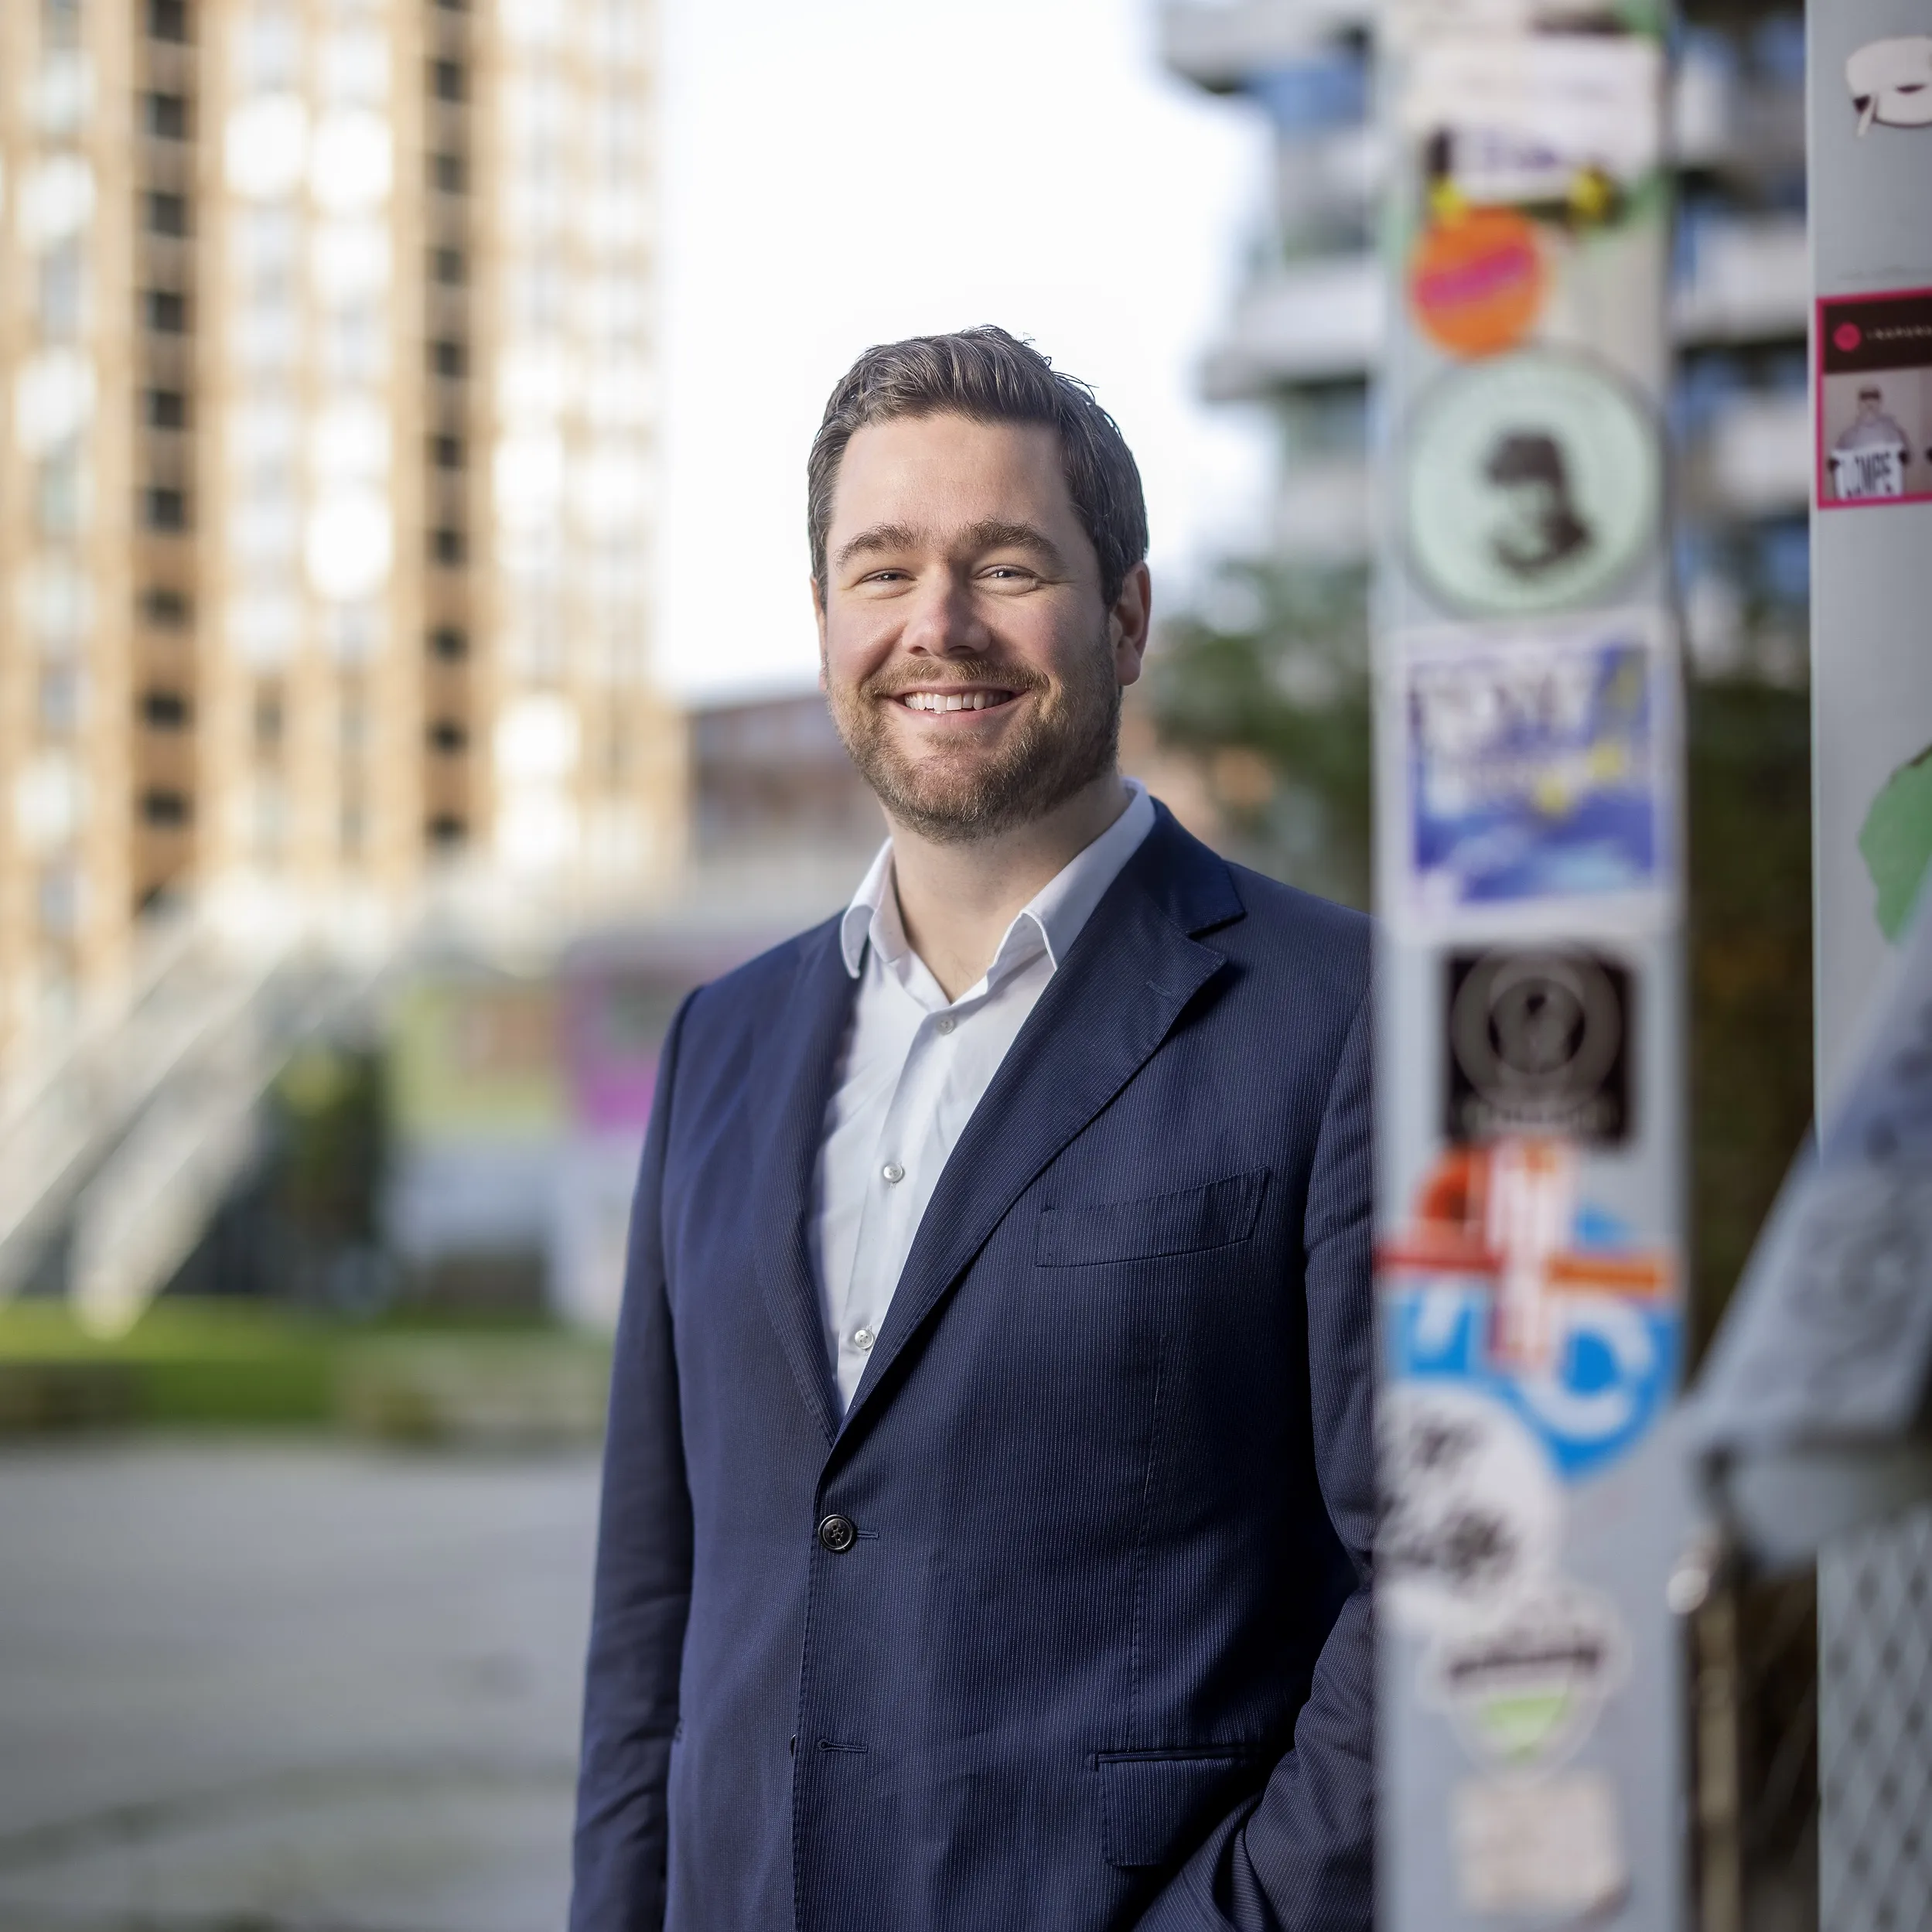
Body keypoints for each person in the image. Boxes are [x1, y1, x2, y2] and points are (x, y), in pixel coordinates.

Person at [570, 326, 1373, 1932]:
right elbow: (651, 1614)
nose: (935, 625)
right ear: (822, 627)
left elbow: (1438, 1582)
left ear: (1126, 616)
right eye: (880, 570)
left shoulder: (1343, 1016)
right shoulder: (721, 1044)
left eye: (1004, 565)